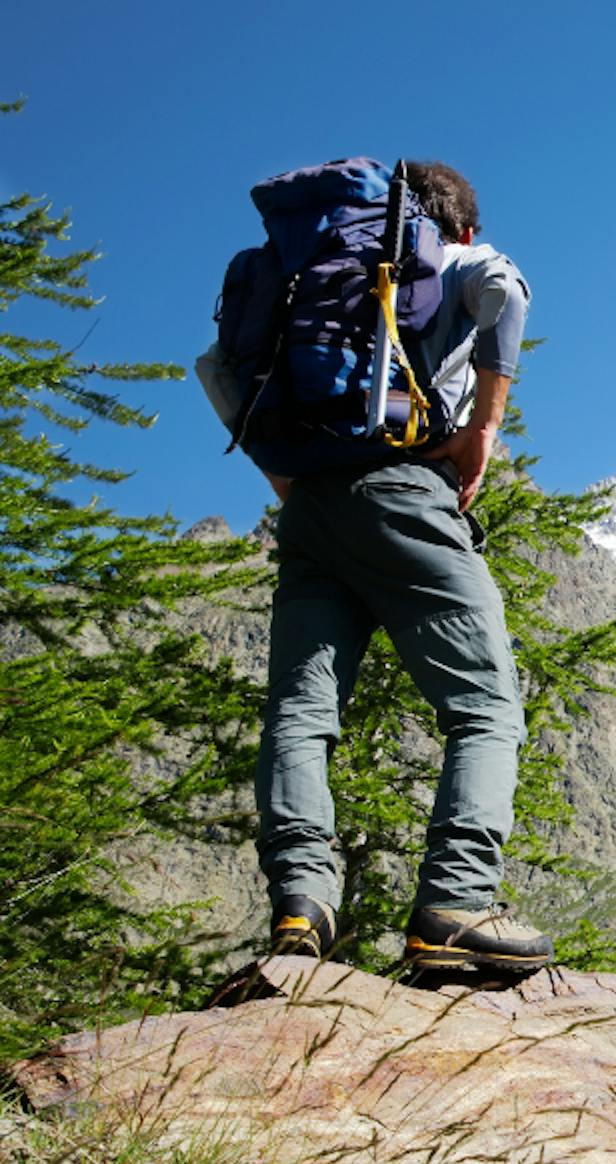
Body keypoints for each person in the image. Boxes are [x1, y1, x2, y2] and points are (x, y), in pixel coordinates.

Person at [197, 160, 552, 972]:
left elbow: (212, 369)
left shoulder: (288, 274)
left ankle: (301, 906)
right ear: (456, 228)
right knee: (485, 705)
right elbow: (507, 287)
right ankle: (456, 905)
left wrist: (287, 480)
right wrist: (483, 433)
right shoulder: (442, 256)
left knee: (300, 709)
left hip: (312, 512)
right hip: (403, 491)